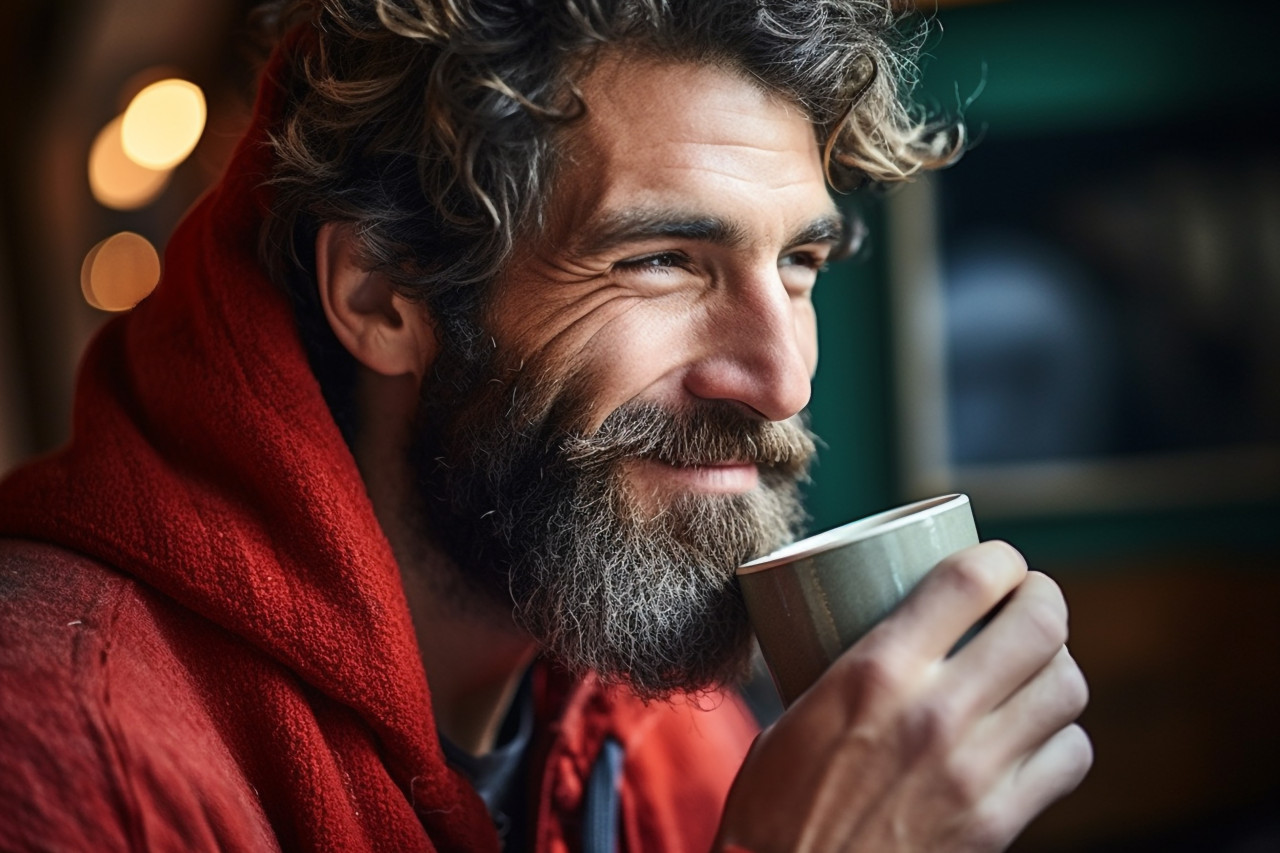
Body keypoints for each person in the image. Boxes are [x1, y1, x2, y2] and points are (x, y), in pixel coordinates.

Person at [0, 1, 1092, 850]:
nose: (779, 378)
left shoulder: (664, 724)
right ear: (383, 293)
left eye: (797, 264)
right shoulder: (64, 751)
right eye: (662, 261)